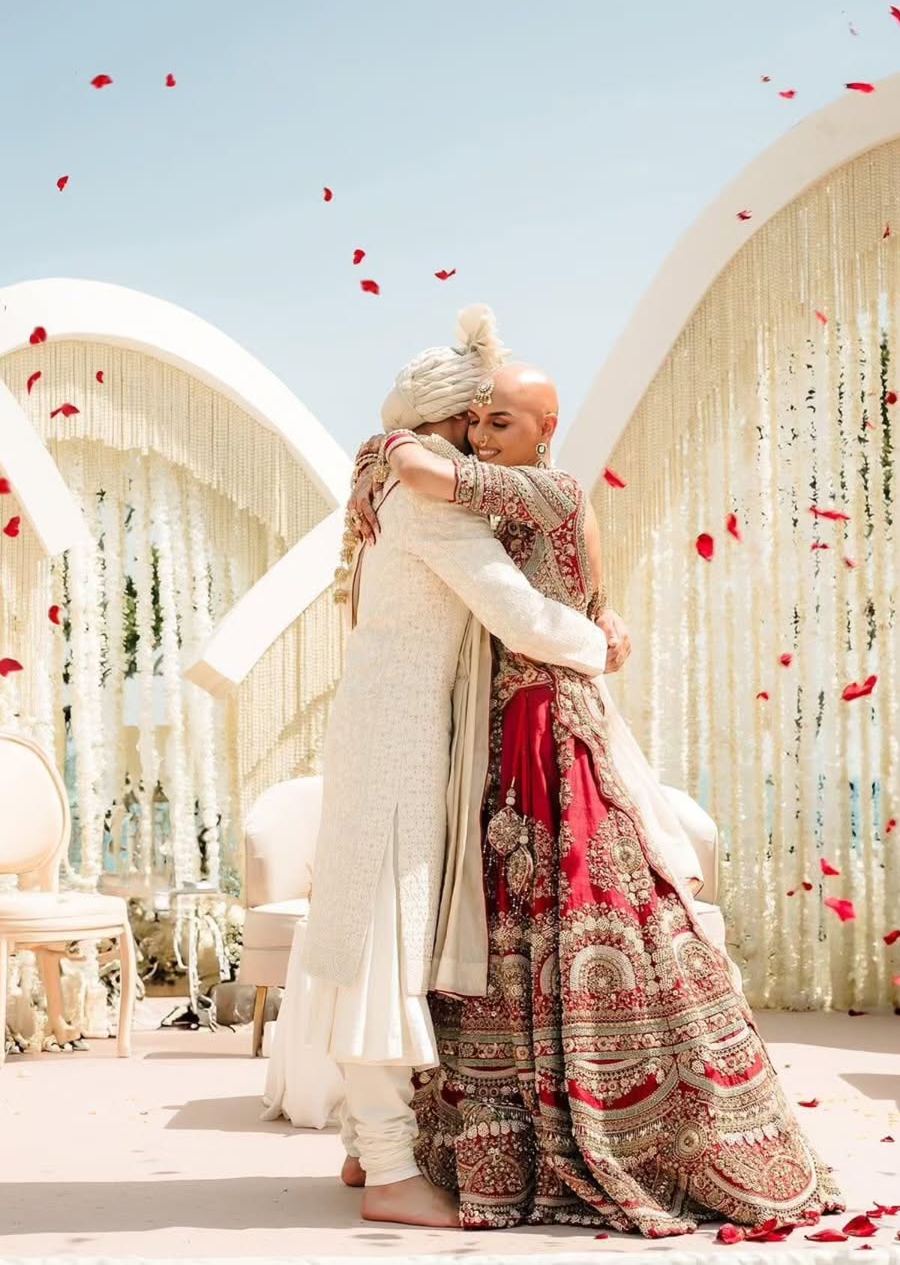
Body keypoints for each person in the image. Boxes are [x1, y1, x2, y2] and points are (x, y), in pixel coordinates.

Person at [381, 362, 846, 1237]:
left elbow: (421, 475)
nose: (483, 439)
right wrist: (606, 627)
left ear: (545, 428)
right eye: (478, 423)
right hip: (513, 719)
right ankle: (484, 1136)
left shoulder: (546, 490)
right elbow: (592, 598)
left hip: (547, 721)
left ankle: (640, 1130)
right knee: (511, 911)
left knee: (590, 898)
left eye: (503, 423)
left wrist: (393, 434)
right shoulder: (530, 498)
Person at [262, 307, 617, 1230]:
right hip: (403, 742)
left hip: (387, 730)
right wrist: (604, 647)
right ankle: (387, 1170)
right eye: (478, 422)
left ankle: (359, 1148)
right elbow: (522, 618)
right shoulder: (427, 499)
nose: (484, 444)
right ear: (454, 424)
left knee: (366, 938)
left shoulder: (384, 486)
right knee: (384, 941)